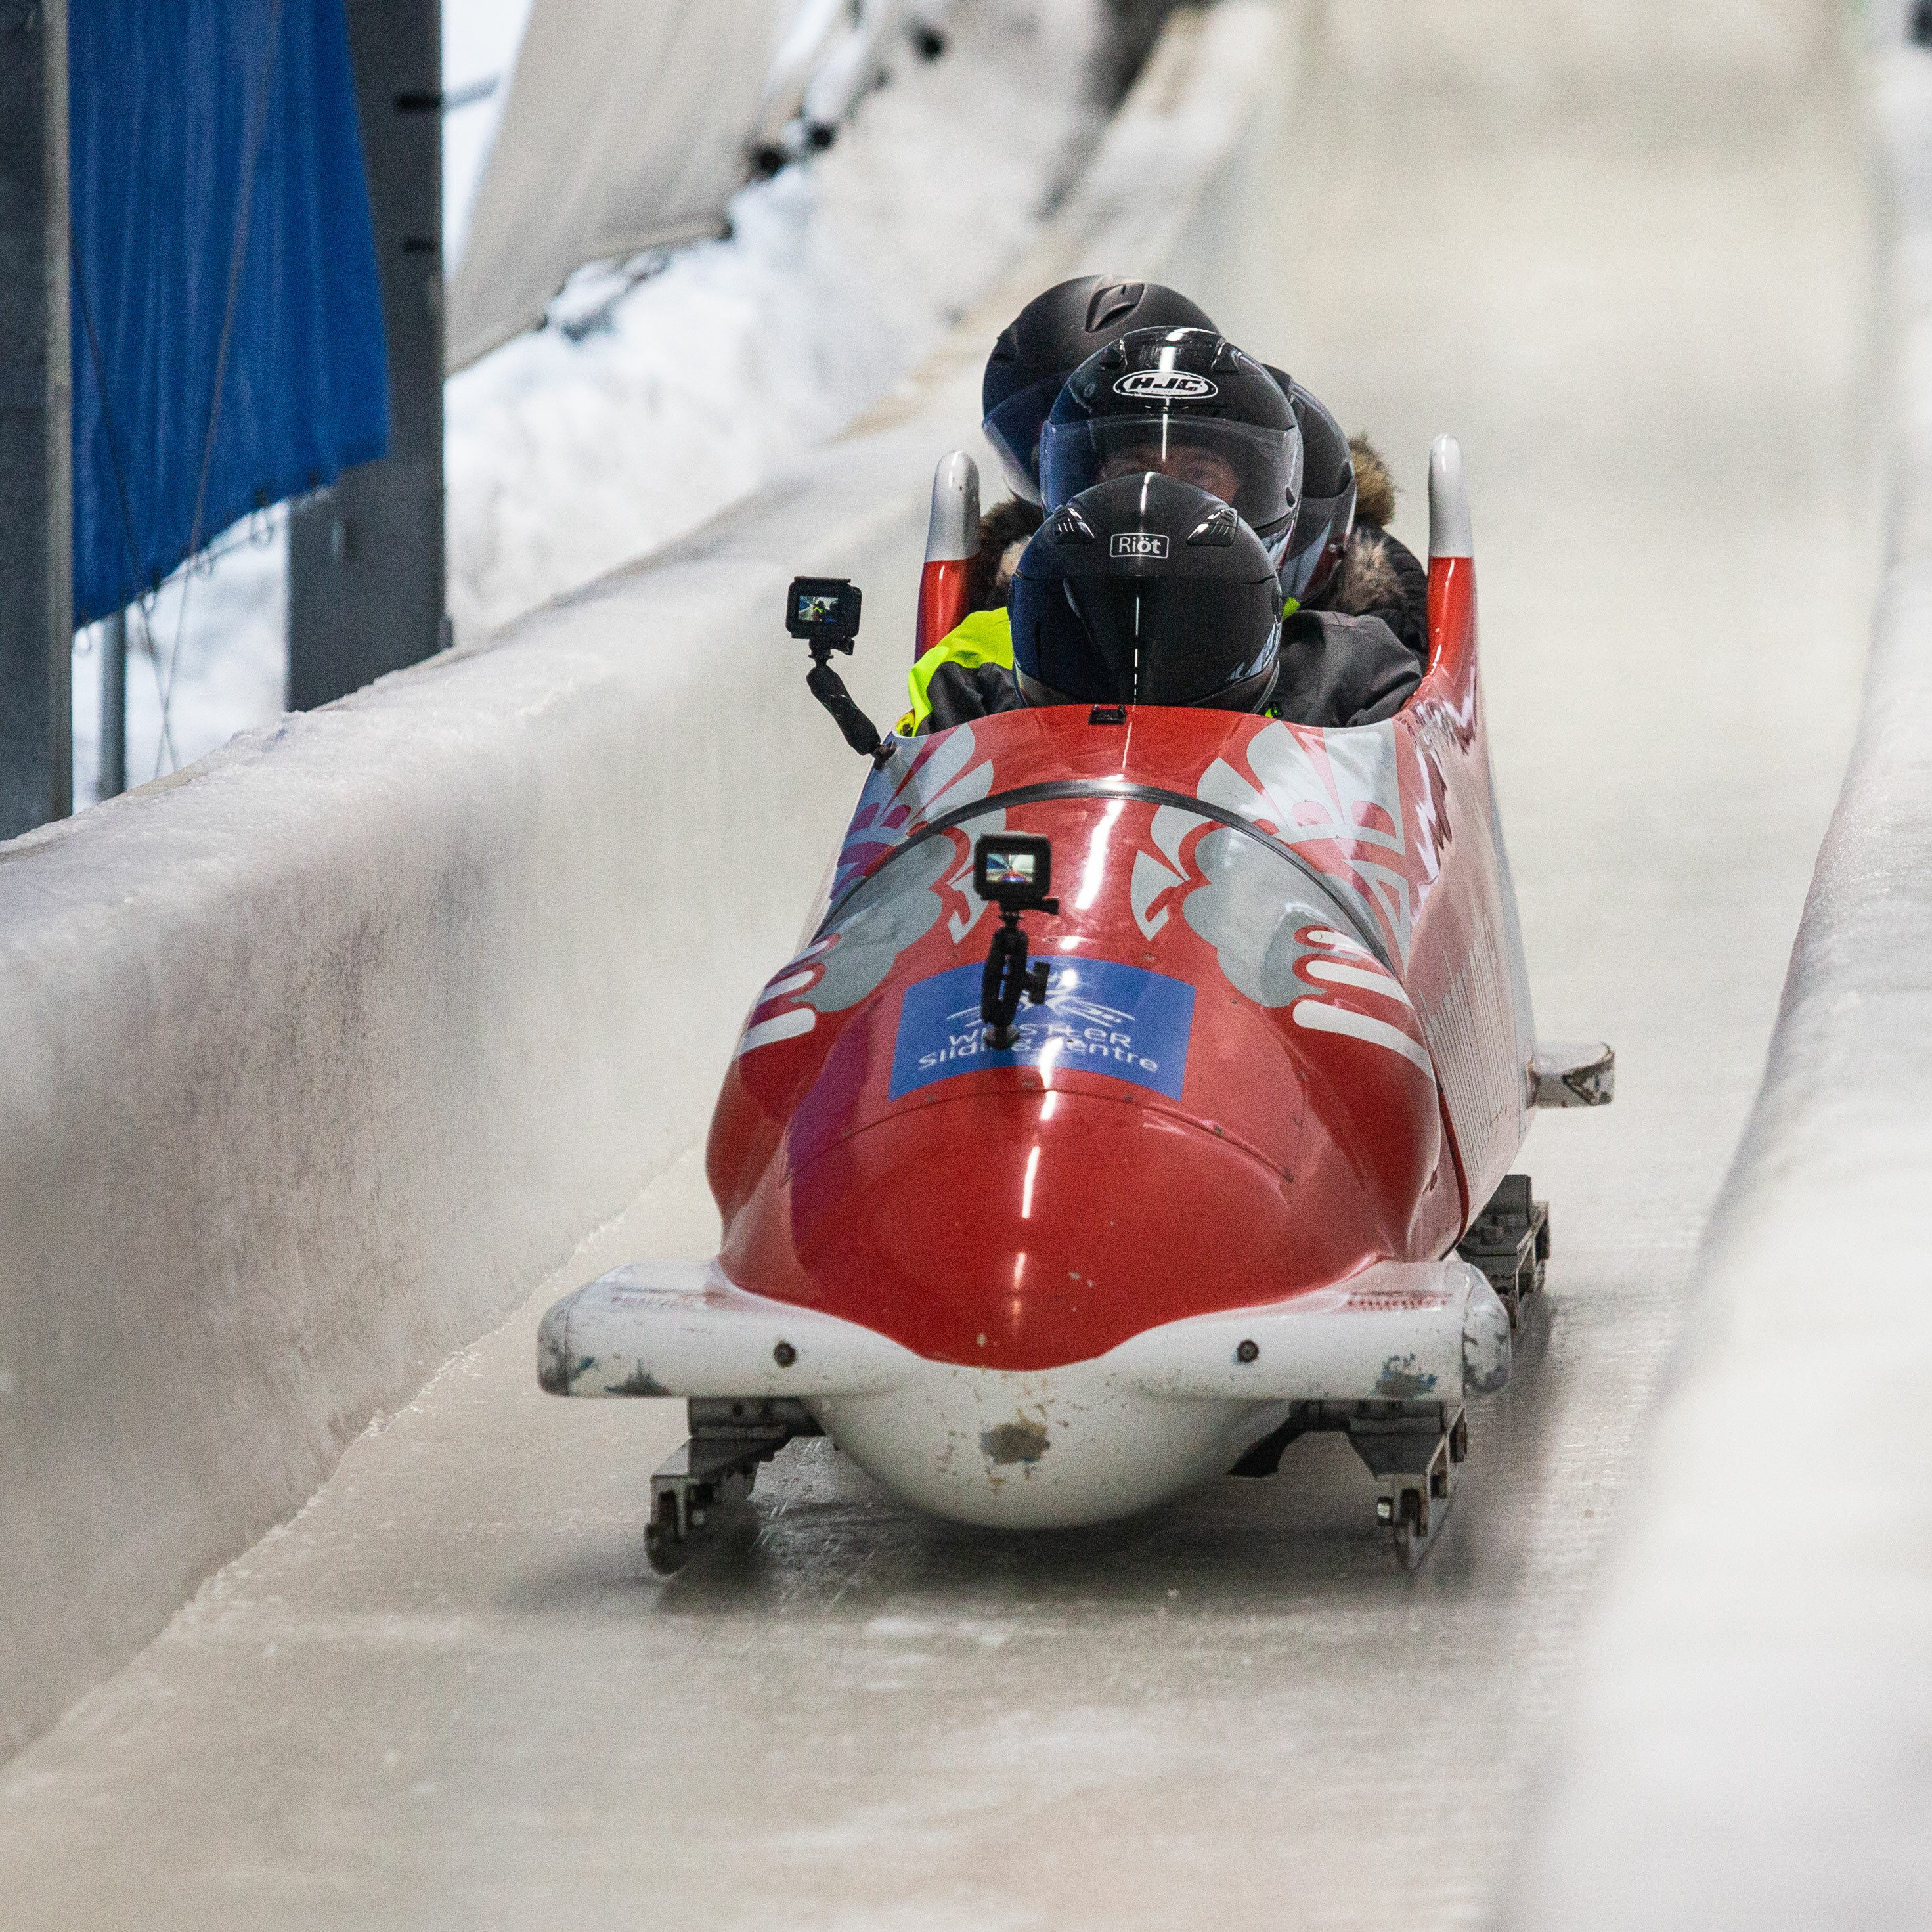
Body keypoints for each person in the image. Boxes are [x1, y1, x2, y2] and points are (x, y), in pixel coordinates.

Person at [903, 324, 1425, 732]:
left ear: (1260, 495)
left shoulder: (1350, 675)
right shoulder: (975, 666)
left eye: (1200, 474)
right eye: (1134, 471)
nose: (1159, 498)